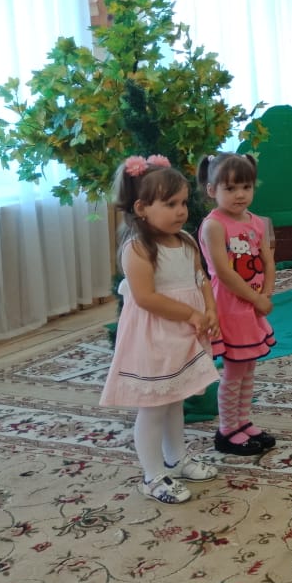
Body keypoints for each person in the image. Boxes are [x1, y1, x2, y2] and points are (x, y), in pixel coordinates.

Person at [100, 154, 221, 504]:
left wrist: (210, 309)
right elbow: (147, 298)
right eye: (170, 204)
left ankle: (176, 459)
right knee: (154, 406)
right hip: (155, 338)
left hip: (182, 335)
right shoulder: (137, 249)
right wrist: (191, 313)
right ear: (141, 208)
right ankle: (152, 476)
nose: (181, 211)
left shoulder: (185, 240)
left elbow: (201, 278)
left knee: (174, 399)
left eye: (183, 202)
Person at [198, 152, 277, 456]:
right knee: (234, 371)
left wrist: (266, 293)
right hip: (230, 307)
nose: (240, 194)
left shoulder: (256, 222)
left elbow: (267, 260)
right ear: (212, 190)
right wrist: (255, 298)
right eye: (230, 188)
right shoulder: (214, 226)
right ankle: (227, 430)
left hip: (252, 307)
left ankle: (243, 422)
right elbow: (223, 272)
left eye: (246, 187)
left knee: (248, 368)